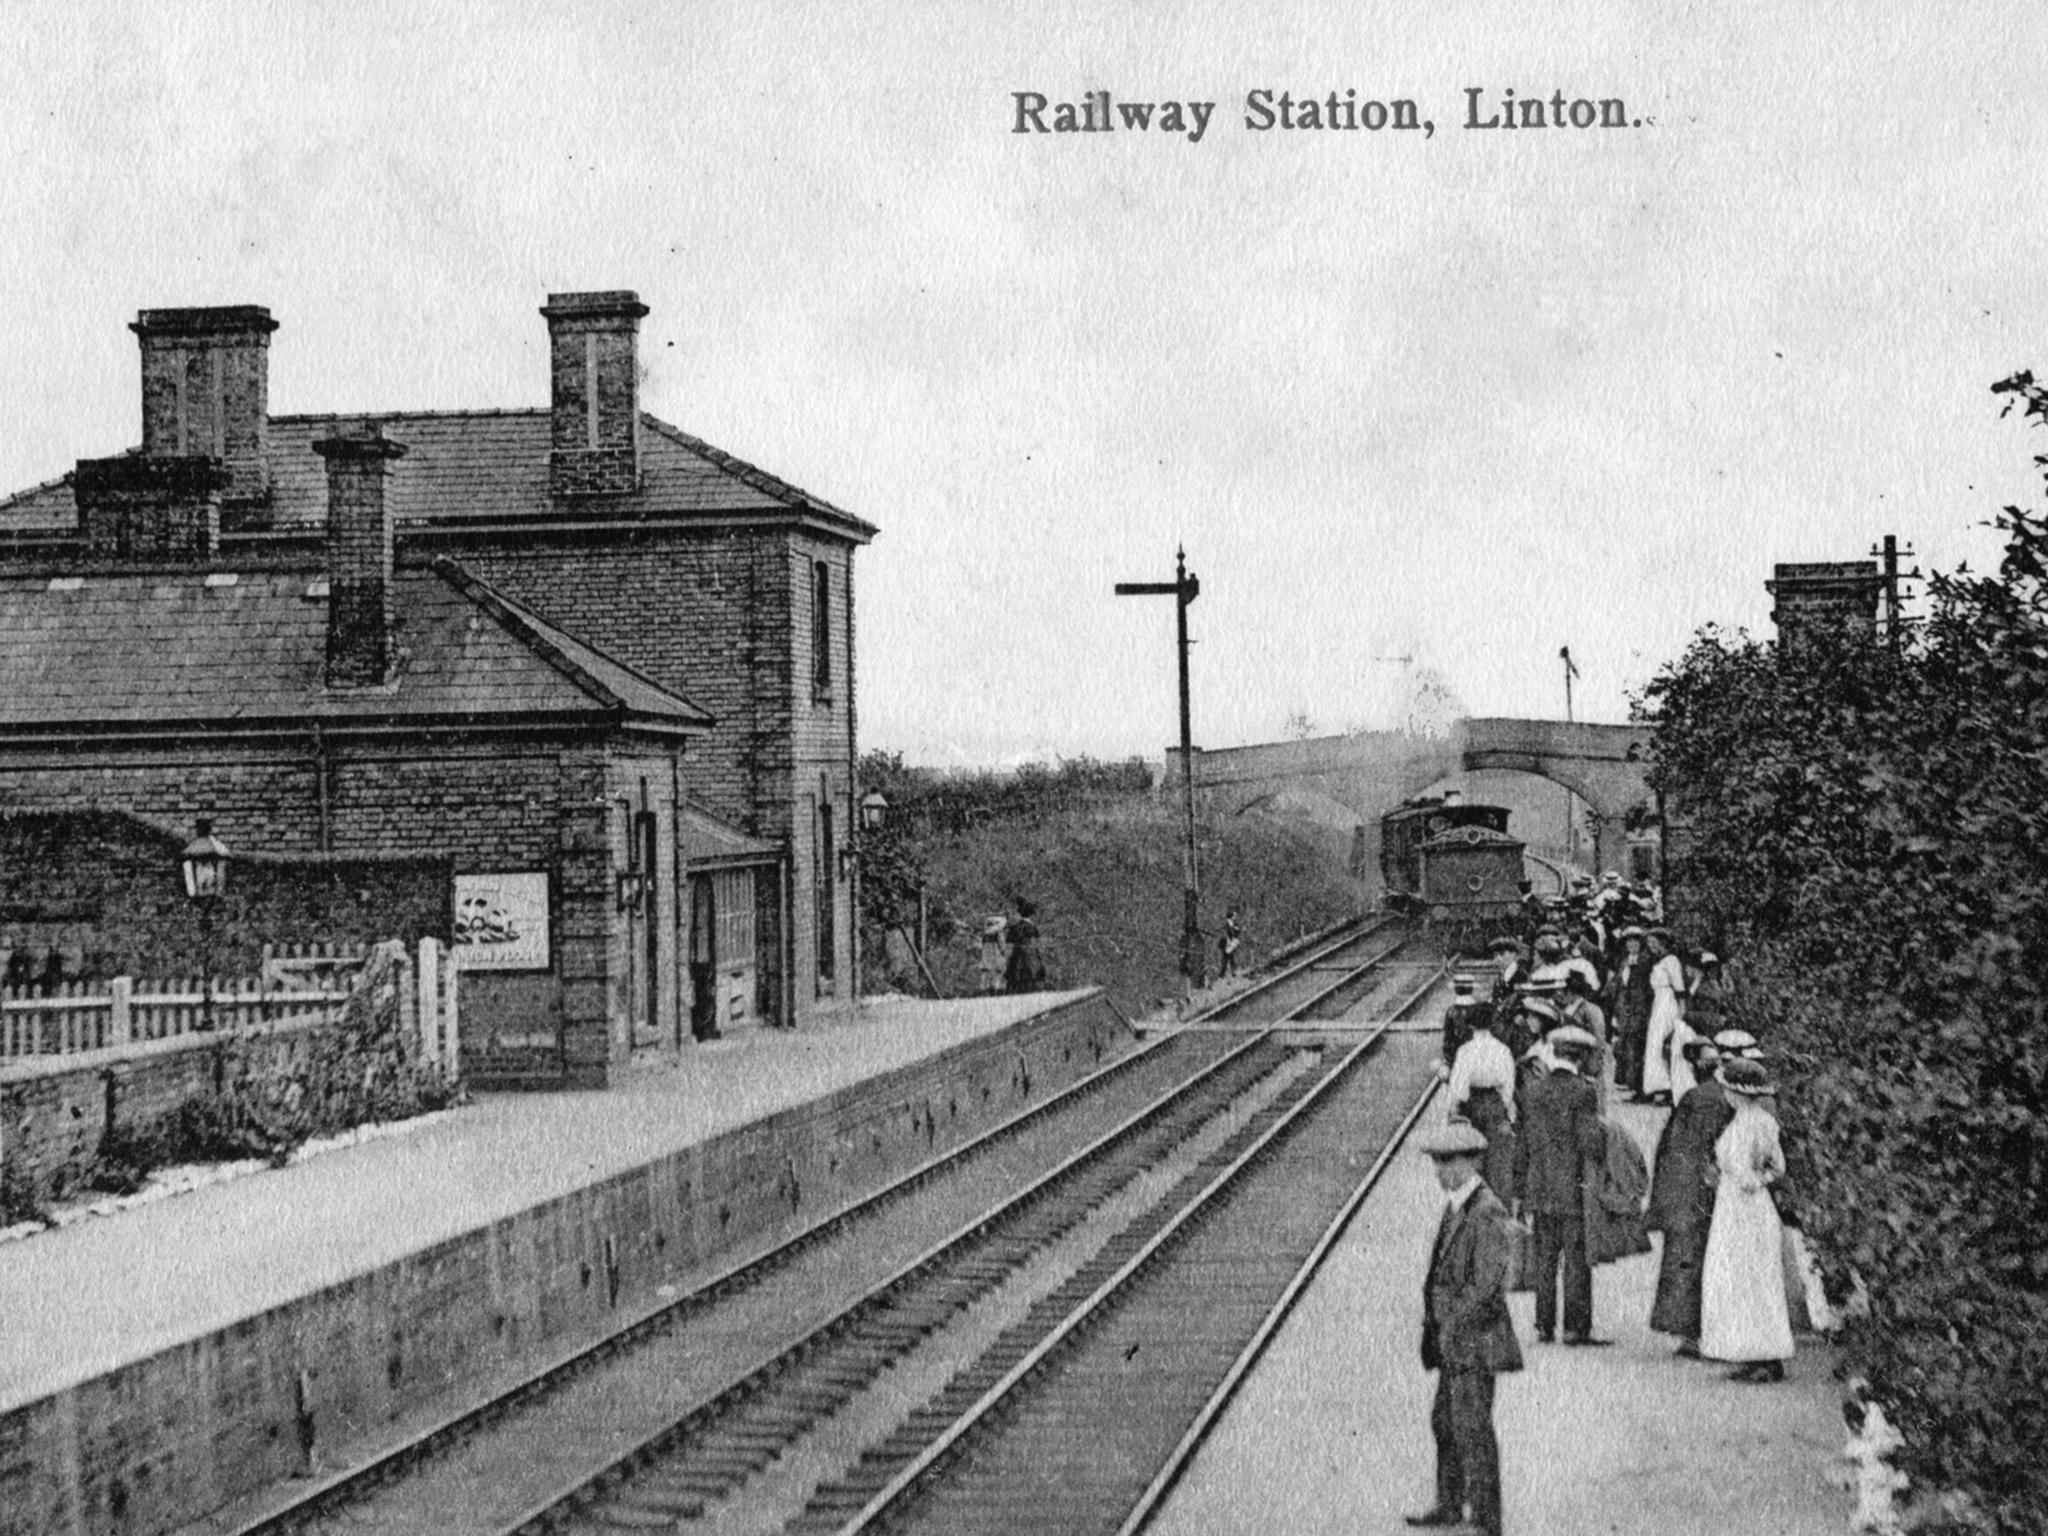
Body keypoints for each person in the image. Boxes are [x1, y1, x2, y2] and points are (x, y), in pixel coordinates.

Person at [1409, 1120, 1522, 1536]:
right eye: (1437, 1163)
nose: (1440, 1171)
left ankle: (1488, 1521)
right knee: (1445, 1421)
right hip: (1452, 1339)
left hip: (1473, 1341)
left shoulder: (1486, 1209)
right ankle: (1451, 1502)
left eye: (1448, 1162)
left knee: (1472, 1428)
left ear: (1472, 1161)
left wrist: (1452, 1321)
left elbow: (1487, 1286)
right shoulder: (1458, 1203)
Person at [1698, 1059, 1794, 1382]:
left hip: (1741, 1209)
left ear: (1736, 1092)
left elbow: (1744, 1176)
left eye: (1727, 1088)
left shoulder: (1744, 1125)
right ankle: (1759, 1353)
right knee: (1756, 1279)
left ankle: (1760, 1354)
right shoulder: (1762, 1121)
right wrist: (1762, 1176)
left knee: (1742, 1277)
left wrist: (1735, 1175)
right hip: (1755, 1208)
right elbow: (1778, 1167)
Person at [1511, 1024, 1607, 1345]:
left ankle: (1543, 1324)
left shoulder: (1531, 1092)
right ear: (1579, 1057)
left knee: (1545, 1258)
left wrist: (1518, 1191)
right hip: (1573, 1188)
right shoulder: (1584, 1092)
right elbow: (1589, 1143)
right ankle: (1575, 1327)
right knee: (1576, 1259)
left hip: (1539, 1187)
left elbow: (1521, 1146)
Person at [1646, 1037, 1735, 1356]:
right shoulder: (1725, 1099)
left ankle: (1691, 1332)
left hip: (1690, 1189)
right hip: (1714, 1186)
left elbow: (1673, 1147)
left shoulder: (1694, 1099)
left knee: (1688, 1259)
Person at [1444, 1007, 1518, 1200]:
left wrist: (1454, 1109)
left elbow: (1458, 1087)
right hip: (1495, 1104)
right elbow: (1508, 1084)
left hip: (1472, 1106)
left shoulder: (1465, 1050)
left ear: (1471, 1025)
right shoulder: (1502, 1049)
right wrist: (1502, 1108)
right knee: (1497, 1163)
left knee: (1472, 1163)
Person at [1641, 928, 1688, 1105]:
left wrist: (1681, 1010)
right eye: (1649, 944)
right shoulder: (1657, 961)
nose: (1651, 947)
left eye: (1654, 943)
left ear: (1663, 943)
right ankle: (1657, 1086)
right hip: (1658, 1001)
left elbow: (1679, 985)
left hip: (1668, 1003)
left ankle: (1667, 1087)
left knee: (1661, 1042)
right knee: (1654, 1042)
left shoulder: (1671, 960)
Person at [1608, 928, 1653, 1098]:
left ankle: (1639, 1086)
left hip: (1639, 1007)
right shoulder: (1624, 961)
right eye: (1628, 942)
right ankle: (1629, 1082)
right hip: (1624, 1007)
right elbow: (1620, 985)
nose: (1631, 945)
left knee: (1636, 1045)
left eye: (1635, 941)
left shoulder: (1645, 961)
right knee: (1625, 1044)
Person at [1003, 897, 1046, 993]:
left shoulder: (1015, 928)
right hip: (1033, 960)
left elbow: (1009, 950)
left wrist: (1007, 962)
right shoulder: (1034, 929)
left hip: (1017, 960)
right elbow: (1038, 946)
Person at [977, 916, 1009, 996]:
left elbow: (981, 945)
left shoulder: (985, 934)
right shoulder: (998, 933)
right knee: (997, 975)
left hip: (986, 955)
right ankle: (994, 991)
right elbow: (1002, 945)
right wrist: (1005, 952)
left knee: (986, 975)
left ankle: (984, 991)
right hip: (996, 955)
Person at [1219, 909, 1243, 978]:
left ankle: (1232, 972)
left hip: (1232, 943)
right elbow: (1223, 933)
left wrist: (1238, 930)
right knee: (1226, 959)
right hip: (1226, 943)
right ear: (1231, 916)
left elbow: (1237, 932)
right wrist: (1228, 941)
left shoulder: (1234, 923)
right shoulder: (1225, 923)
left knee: (1230, 958)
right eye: (1234, 915)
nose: (1235, 917)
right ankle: (1223, 974)